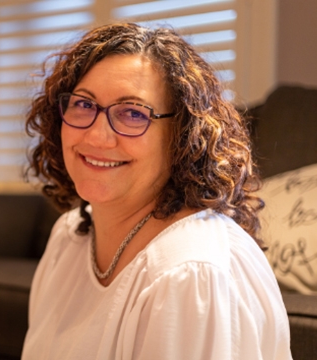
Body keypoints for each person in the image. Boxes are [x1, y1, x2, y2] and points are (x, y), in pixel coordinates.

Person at [21, 23, 292, 359]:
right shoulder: (68, 239)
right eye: (84, 105)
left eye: (133, 113)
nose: (97, 137)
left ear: (181, 136)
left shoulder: (193, 273)